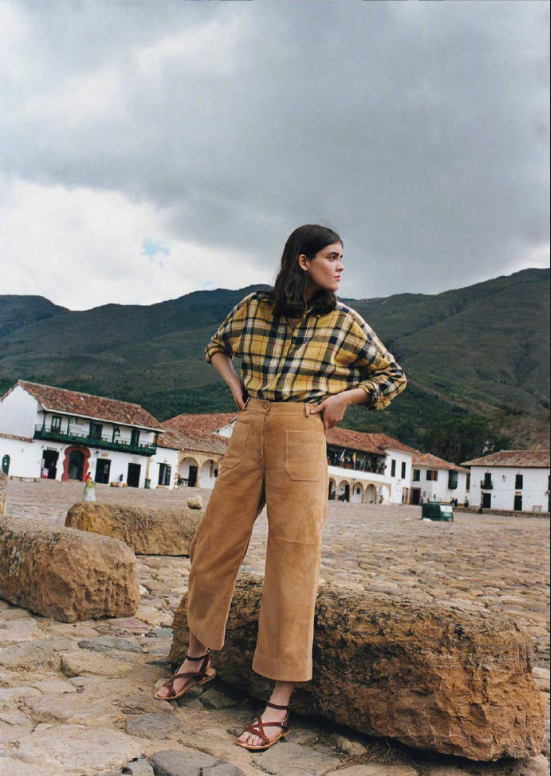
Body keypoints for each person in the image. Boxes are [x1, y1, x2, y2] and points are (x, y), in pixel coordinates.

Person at [153, 224, 407, 750]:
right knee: (213, 545)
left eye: (342, 258)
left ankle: (279, 701)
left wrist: (344, 398)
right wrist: (234, 386)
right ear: (303, 260)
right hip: (250, 425)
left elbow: (392, 375)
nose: (340, 266)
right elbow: (217, 346)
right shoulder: (254, 307)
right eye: (332, 257)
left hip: (303, 430)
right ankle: (197, 660)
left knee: (293, 558)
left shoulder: (344, 321)